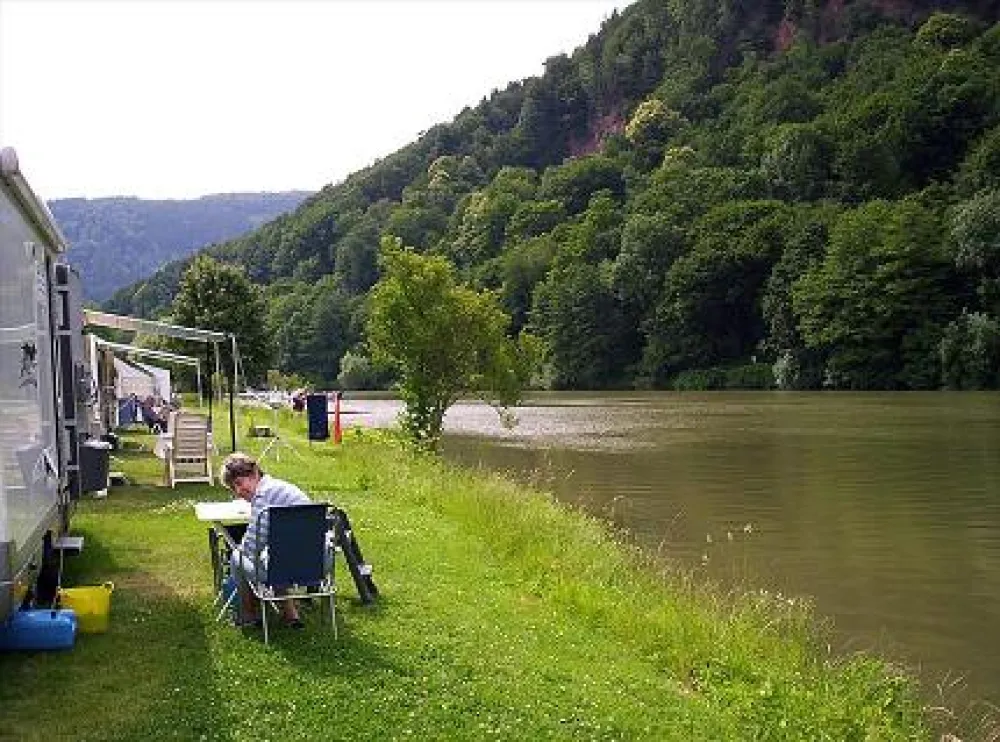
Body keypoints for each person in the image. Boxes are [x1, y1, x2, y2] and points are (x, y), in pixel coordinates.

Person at [220, 452, 310, 628]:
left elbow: (251, 548)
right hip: (316, 565)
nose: (238, 492)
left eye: (239, 483)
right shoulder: (283, 488)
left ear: (254, 474)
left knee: (238, 557)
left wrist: (240, 546)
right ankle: (291, 615)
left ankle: (248, 616)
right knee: (275, 556)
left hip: (288, 568)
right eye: (233, 488)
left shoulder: (262, 497)